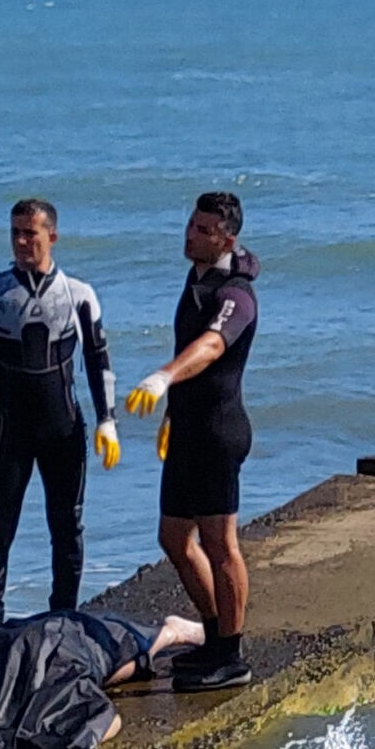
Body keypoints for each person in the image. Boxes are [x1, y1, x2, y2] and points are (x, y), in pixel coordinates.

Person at [0, 198, 121, 638]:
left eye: (31, 233)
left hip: (63, 430)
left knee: (67, 529)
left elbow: (99, 361)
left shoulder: (78, 294)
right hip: (6, 431)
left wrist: (107, 420)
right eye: (16, 233)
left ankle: (63, 622)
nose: (22, 241)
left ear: (53, 236)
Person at [125, 191, 261, 691]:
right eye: (190, 224)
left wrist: (164, 376)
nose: (191, 235)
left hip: (219, 433)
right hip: (186, 430)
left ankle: (232, 655)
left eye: (204, 230)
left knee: (220, 544)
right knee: (174, 539)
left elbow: (210, 346)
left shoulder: (236, 295)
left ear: (226, 239)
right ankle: (213, 634)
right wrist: (171, 411)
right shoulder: (196, 279)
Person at [0, 610, 205, 749]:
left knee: (125, 652)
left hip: (61, 639)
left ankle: (173, 632)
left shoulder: (66, 683)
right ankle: (173, 632)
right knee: (118, 655)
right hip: (38, 638)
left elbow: (109, 720)